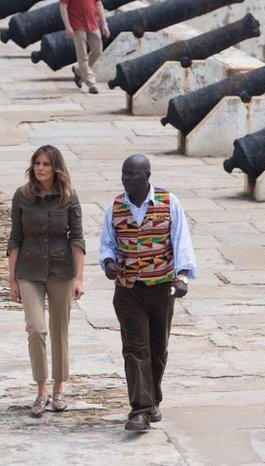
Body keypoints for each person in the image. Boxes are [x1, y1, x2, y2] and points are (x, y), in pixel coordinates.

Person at [99, 154, 196, 432]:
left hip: (161, 288)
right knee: (134, 348)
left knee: (157, 349)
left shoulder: (168, 203)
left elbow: (181, 241)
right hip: (129, 290)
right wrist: (108, 263)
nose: (126, 178)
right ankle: (139, 410)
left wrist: (182, 277)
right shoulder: (115, 207)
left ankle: (153, 400)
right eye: (124, 174)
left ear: (147, 176)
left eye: (132, 174)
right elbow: (107, 243)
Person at [7, 145, 86, 418]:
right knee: (36, 329)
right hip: (29, 270)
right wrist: (12, 280)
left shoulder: (69, 197)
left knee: (59, 330)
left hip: (62, 271)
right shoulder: (22, 196)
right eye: (37, 163)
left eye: (46, 164)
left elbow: (77, 239)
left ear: (56, 168)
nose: (41, 168)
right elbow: (14, 237)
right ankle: (41, 390)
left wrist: (79, 278)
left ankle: (59, 388)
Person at [59, 0, 110, 94]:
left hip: (93, 23)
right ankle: (91, 83)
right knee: (82, 56)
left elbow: (99, 4)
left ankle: (78, 71)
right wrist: (68, 26)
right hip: (77, 26)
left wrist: (104, 24)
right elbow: (63, 7)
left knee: (97, 51)